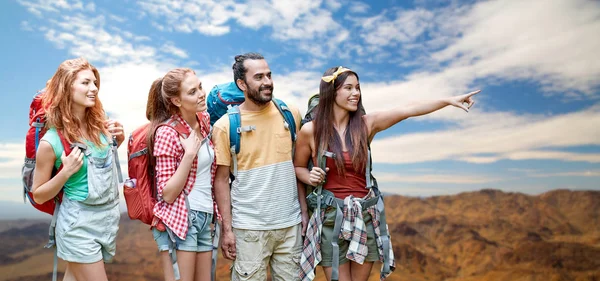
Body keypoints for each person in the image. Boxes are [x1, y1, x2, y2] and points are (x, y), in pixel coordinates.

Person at [295, 66, 479, 281]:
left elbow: (407, 110)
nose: (356, 93)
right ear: (331, 92)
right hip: (330, 218)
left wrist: (448, 100)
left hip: (364, 215)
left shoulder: (366, 125)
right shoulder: (311, 131)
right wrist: (309, 177)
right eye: (348, 88)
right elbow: (298, 166)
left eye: (358, 88)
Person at [212, 52, 306, 281]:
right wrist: (227, 230)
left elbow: (299, 165)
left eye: (269, 75)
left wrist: (304, 212)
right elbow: (221, 180)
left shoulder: (290, 114)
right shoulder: (226, 126)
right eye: (259, 77)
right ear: (242, 84)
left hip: (290, 226)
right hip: (248, 230)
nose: (267, 82)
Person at [32, 57, 124, 281]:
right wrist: (65, 172)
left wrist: (118, 141)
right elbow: (38, 193)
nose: (93, 89)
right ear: (66, 87)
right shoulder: (51, 141)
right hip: (77, 226)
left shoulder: (101, 128)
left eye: (94, 83)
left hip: (106, 221)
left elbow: (102, 165)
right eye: (85, 83)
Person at [146, 68, 221, 281]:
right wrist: (189, 155)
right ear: (177, 101)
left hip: (205, 217)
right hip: (182, 220)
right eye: (192, 92)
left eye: (200, 87)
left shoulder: (204, 122)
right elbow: (167, 194)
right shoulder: (166, 133)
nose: (200, 93)